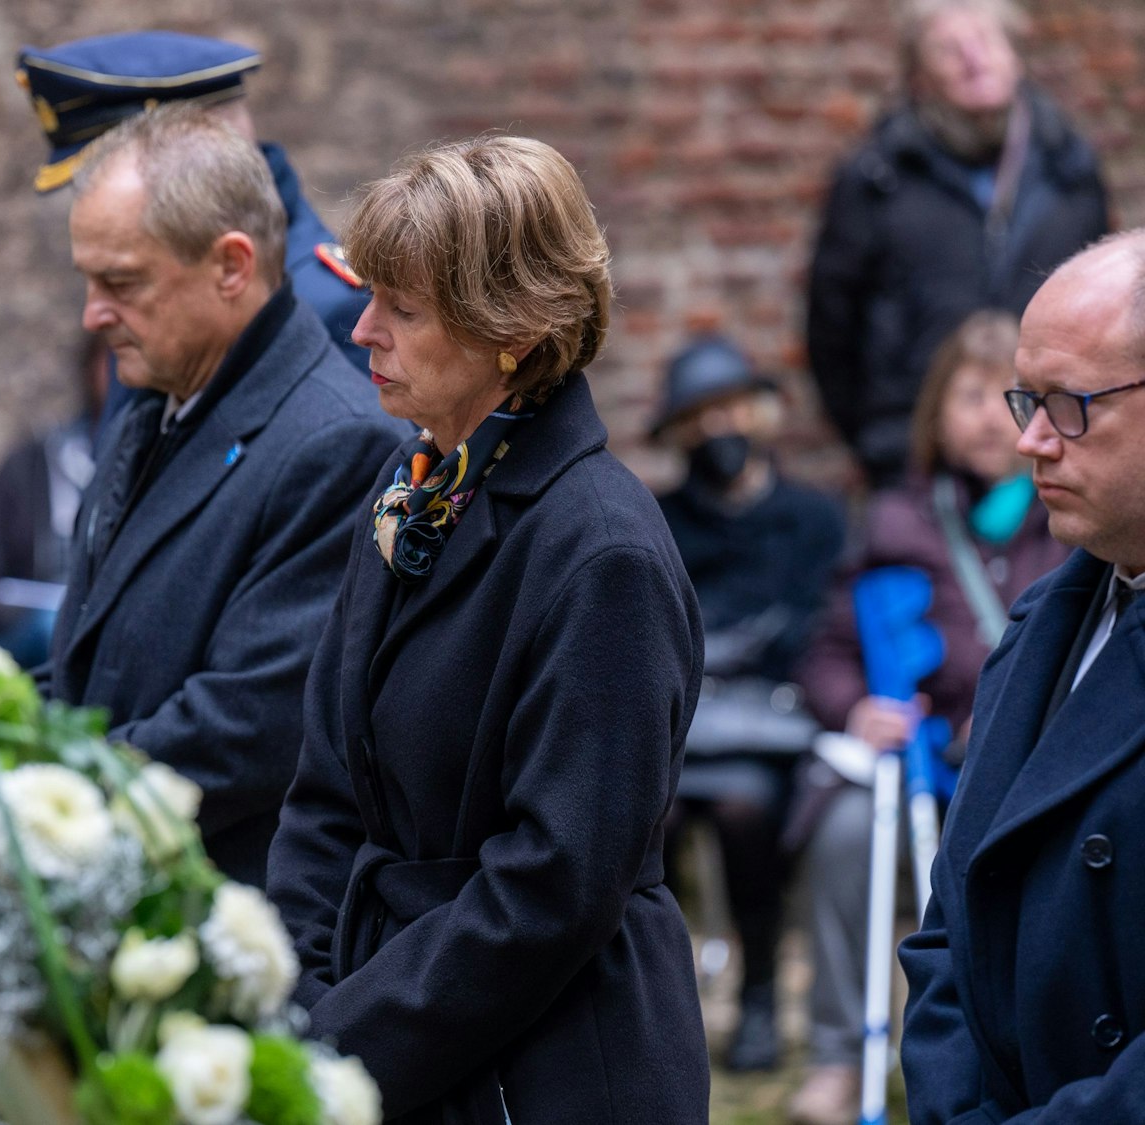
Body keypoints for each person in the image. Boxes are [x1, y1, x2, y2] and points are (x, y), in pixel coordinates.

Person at [267, 136, 709, 1122]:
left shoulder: (602, 555)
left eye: (404, 308)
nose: (362, 330)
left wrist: (341, 1046)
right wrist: (293, 1009)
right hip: (394, 1021)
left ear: (511, 328)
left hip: (546, 1063)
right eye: (369, 294)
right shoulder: (410, 489)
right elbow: (328, 790)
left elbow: (553, 888)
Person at [42, 106, 399, 888]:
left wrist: (37, 793)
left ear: (231, 267)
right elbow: (86, 663)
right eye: (90, 281)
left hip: (225, 920)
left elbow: (244, 729)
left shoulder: (335, 444)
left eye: (122, 282)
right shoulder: (156, 399)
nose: (93, 314)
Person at [787, 310, 1067, 1125]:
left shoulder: (1067, 510)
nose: (987, 415)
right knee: (841, 830)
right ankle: (841, 1052)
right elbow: (828, 651)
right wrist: (858, 708)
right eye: (967, 393)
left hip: (1035, 761)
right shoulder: (895, 519)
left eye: (1004, 394)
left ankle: (1020, 1054)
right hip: (924, 757)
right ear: (935, 409)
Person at [899, 230, 1145, 1124]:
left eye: (1072, 404)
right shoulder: (1044, 623)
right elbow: (949, 923)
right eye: (1026, 400)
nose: (1032, 441)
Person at [17, 30, 371, 447]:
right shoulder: (140, 293)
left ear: (199, 147)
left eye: (118, 173)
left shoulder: (327, 306)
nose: (95, 316)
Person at [806, 0, 1107, 487]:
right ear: (918, 76)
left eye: (986, 41)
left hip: (1053, 447)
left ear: (1015, 55)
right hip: (914, 464)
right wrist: (880, 440)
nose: (973, 59)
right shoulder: (876, 179)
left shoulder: (1068, 170)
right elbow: (831, 330)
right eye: (949, 49)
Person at [652, 337, 845, 1073]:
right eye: (698, 419)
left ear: (760, 414)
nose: (717, 431)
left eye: (729, 411)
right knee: (651, 814)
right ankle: (661, 1003)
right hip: (684, 724)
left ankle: (760, 994)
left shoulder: (811, 517)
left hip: (770, 731)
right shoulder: (660, 516)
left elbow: (814, 625)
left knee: (745, 809)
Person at [0, 336, 106, 667]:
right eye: (110, 361)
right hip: (35, 637)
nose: (118, 377)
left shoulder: (161, 470)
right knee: (55, 631)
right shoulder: (31, 464)